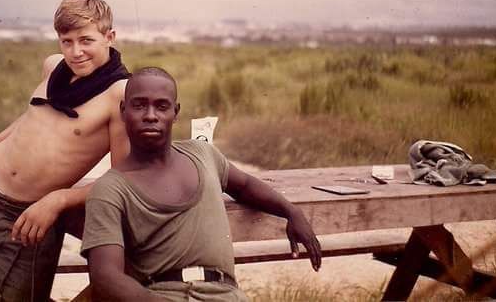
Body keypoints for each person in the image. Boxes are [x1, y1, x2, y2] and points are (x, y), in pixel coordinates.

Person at [0, 0, 131, 302]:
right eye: (66, 41)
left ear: (110, 37)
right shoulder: (54, 66)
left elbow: (124, 178)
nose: (76, 52)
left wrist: (59, 200)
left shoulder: (119, 94)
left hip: (26, 219)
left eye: (86, 40)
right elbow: (33, 118)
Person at [81, 67, 322, 302]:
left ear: (175, 112)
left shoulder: (203, 154)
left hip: (228, 294)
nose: (151, 115)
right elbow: (106, 278)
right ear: (123, 111)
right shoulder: (111, 189)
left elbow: (245, 185)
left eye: (161, 106)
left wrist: (292, 211)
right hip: (164, 294)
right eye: (140, 105)